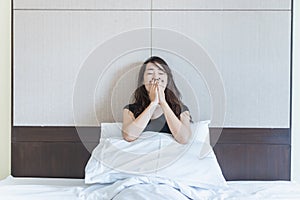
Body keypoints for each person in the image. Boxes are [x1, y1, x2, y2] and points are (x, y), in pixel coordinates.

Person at [122, 56, 192, 144]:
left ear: (167, 80)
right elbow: (129, 136)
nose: (156, 77)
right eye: (150, 73)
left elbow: (184, 139)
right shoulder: (129, 110)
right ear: (143, 80)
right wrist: (153, 103)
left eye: (161, 73)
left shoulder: (181, 109)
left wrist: (163, 102)